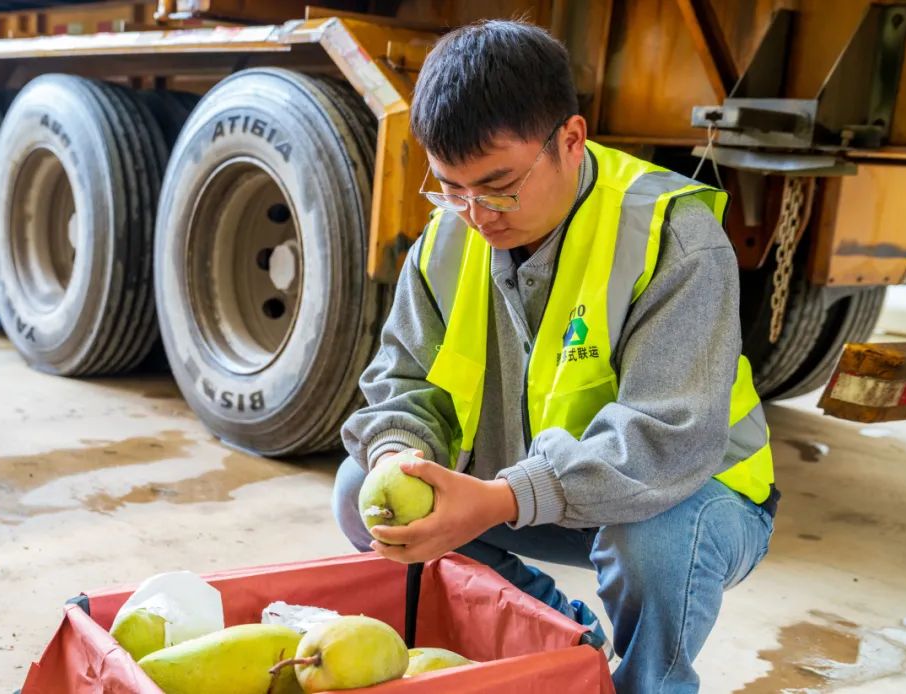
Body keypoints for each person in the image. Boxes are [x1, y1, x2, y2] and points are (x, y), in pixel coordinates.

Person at [332, 19, 778, 693]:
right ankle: (570, 644)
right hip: (542, 496)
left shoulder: (674, 237)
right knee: (360, 497)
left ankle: (649, 684)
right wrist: (398, 452)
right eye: (452, 188)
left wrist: (501, 497)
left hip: (690, 496)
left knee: (649, 548)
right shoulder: (446, 242)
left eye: (499, 183)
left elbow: (666, 439)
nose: (477, 214)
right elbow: (403, 383)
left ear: (571, 139)